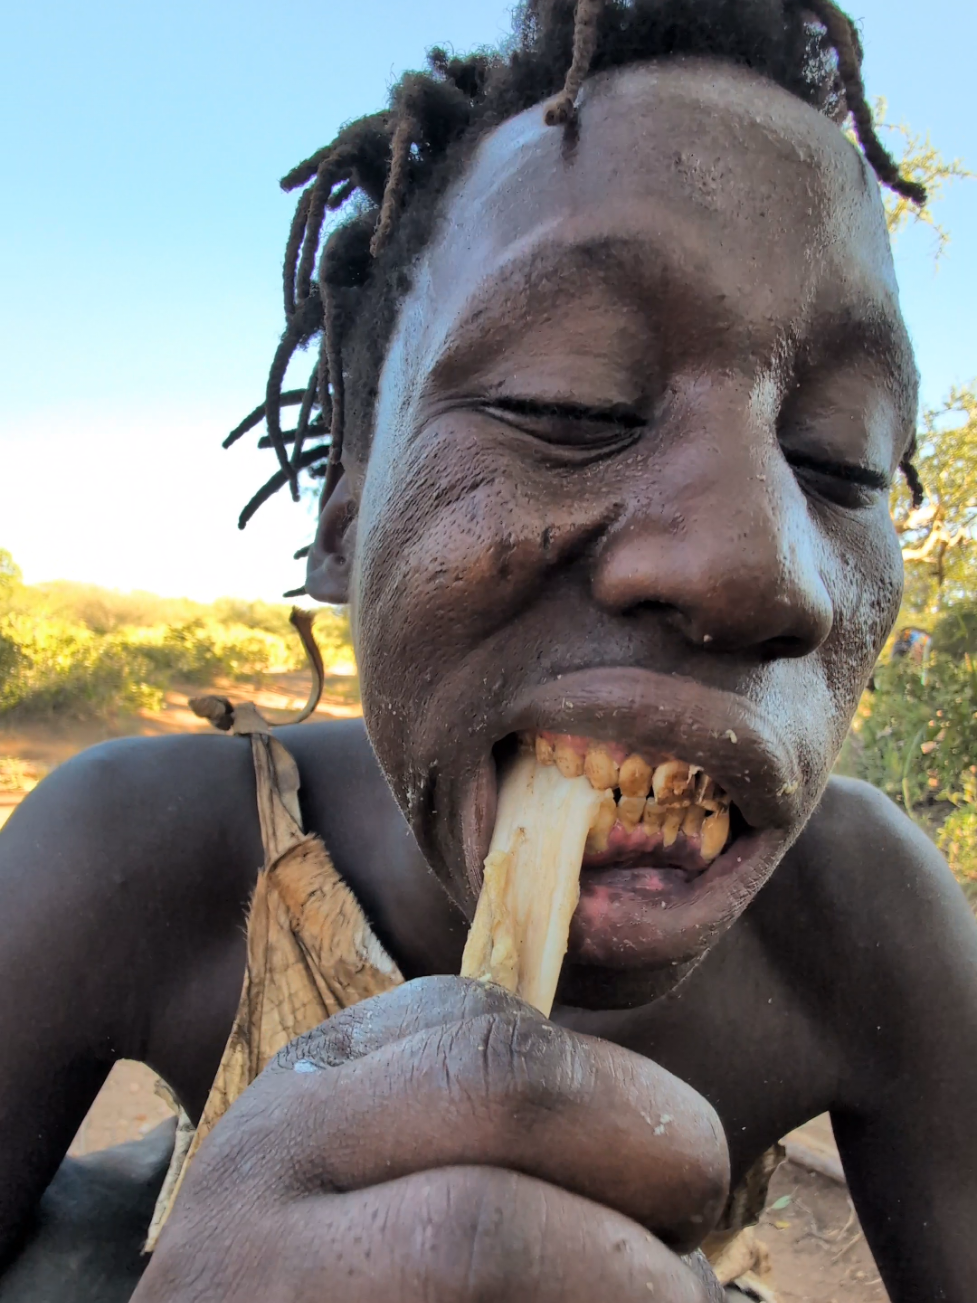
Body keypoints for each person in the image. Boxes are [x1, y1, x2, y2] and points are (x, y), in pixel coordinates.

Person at [2, 1, 976, 1299]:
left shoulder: (868, 923)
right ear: (346, 522)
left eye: (842, 461)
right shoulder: (125, 851)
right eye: (569, 401)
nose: (761, 567)